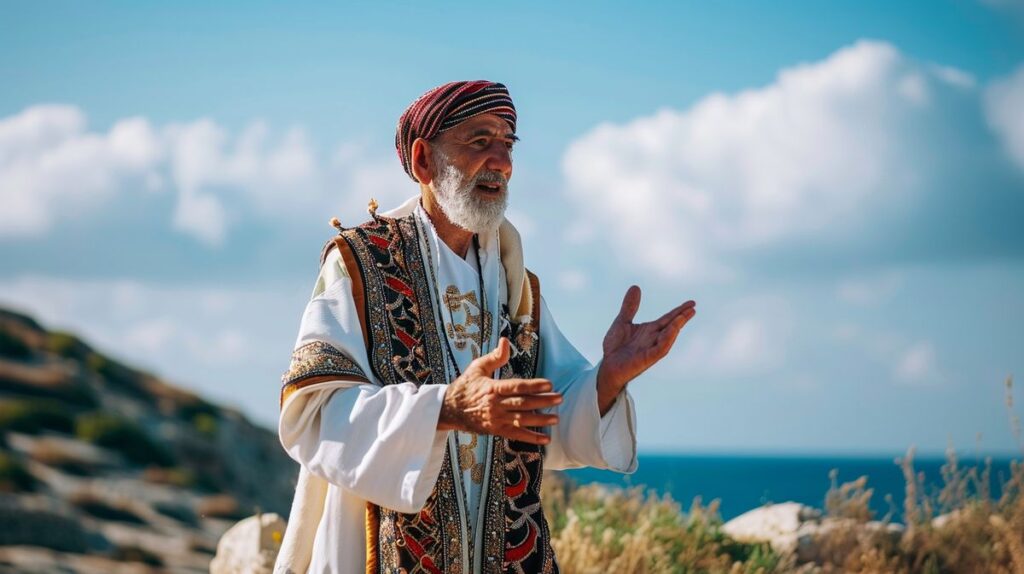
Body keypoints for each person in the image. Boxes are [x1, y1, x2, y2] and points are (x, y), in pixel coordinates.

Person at [274, 80, 697, 573]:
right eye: (480, 142)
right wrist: (446, 408)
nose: (502, 161)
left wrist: (608, 379)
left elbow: (547, 415)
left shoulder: (513, 282)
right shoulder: (360, 265)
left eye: (507, 144)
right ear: (422, 161)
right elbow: (311, 412)